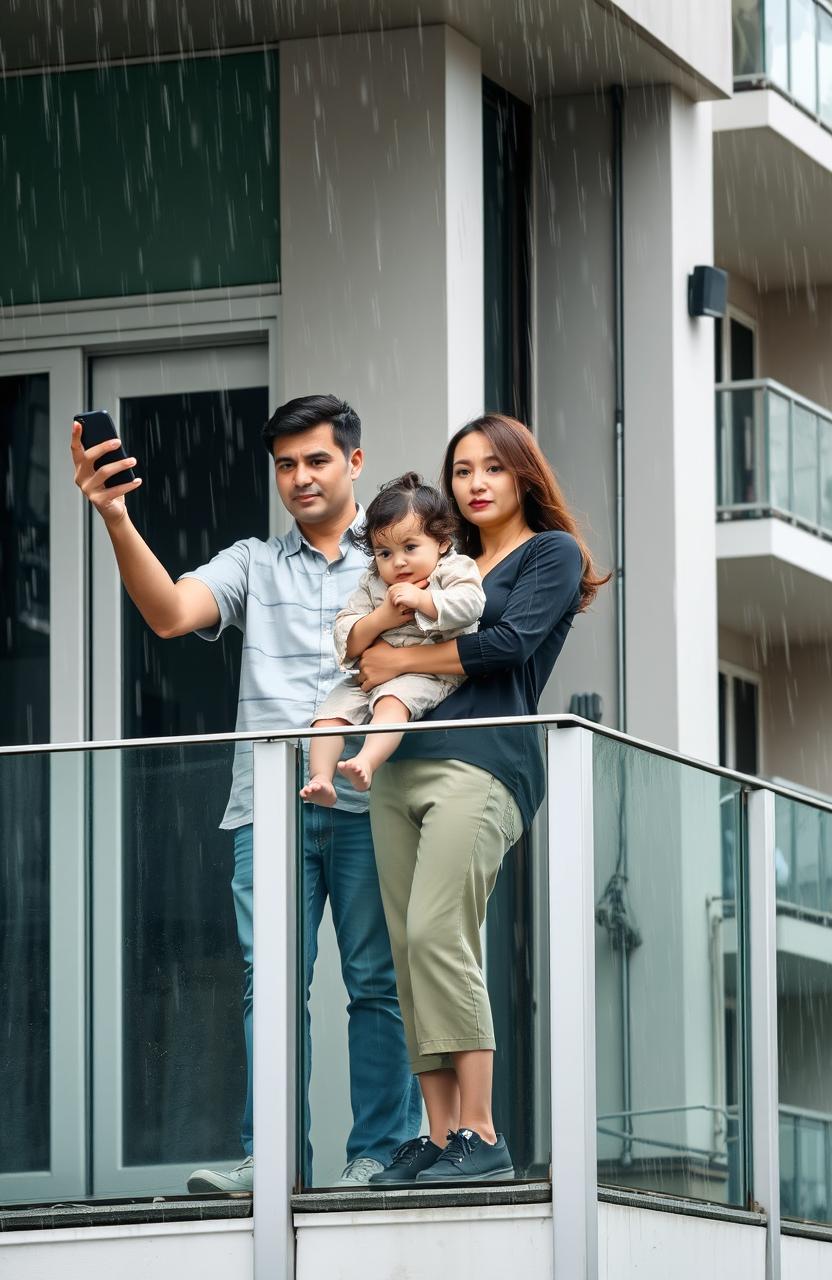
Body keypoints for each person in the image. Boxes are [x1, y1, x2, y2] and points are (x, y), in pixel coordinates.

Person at [71, 394, 421, 1191]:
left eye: (317, 460)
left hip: (377, 798)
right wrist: (117, 518)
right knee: (271, 984)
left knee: (378, 982)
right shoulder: (253, 562)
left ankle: (381, 1156)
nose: (300, 477)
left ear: (355, 463)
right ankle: (270, 1163)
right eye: (286, 465)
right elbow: (168, 614)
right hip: (268, 808)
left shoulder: (404, 552)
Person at [357, 413, 608, 1186]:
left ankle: (483, 1132)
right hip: (398, 762)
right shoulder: (442, 556)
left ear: (523, 475)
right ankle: (439, 1138)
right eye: (462, 470)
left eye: (491, 468)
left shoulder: (551, 553)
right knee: (407, 952)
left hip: (484, 762)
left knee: (439, 932)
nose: (474, 483)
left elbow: (509, 647)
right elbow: (364, 641)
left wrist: (396, 658)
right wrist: (375, 651)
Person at [301, 472, 485, 805]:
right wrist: (380, 618)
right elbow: (345, 630)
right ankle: (321, 779)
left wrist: (425, 601)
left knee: (392, 703)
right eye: (384, 553)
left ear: (442, 542)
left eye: (410, 548)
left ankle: (366, 762)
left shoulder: (453, 569)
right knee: (328, 714)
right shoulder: (372, 583)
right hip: (369, 677)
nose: (397, 562)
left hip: (427, 674)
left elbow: (472, 604)